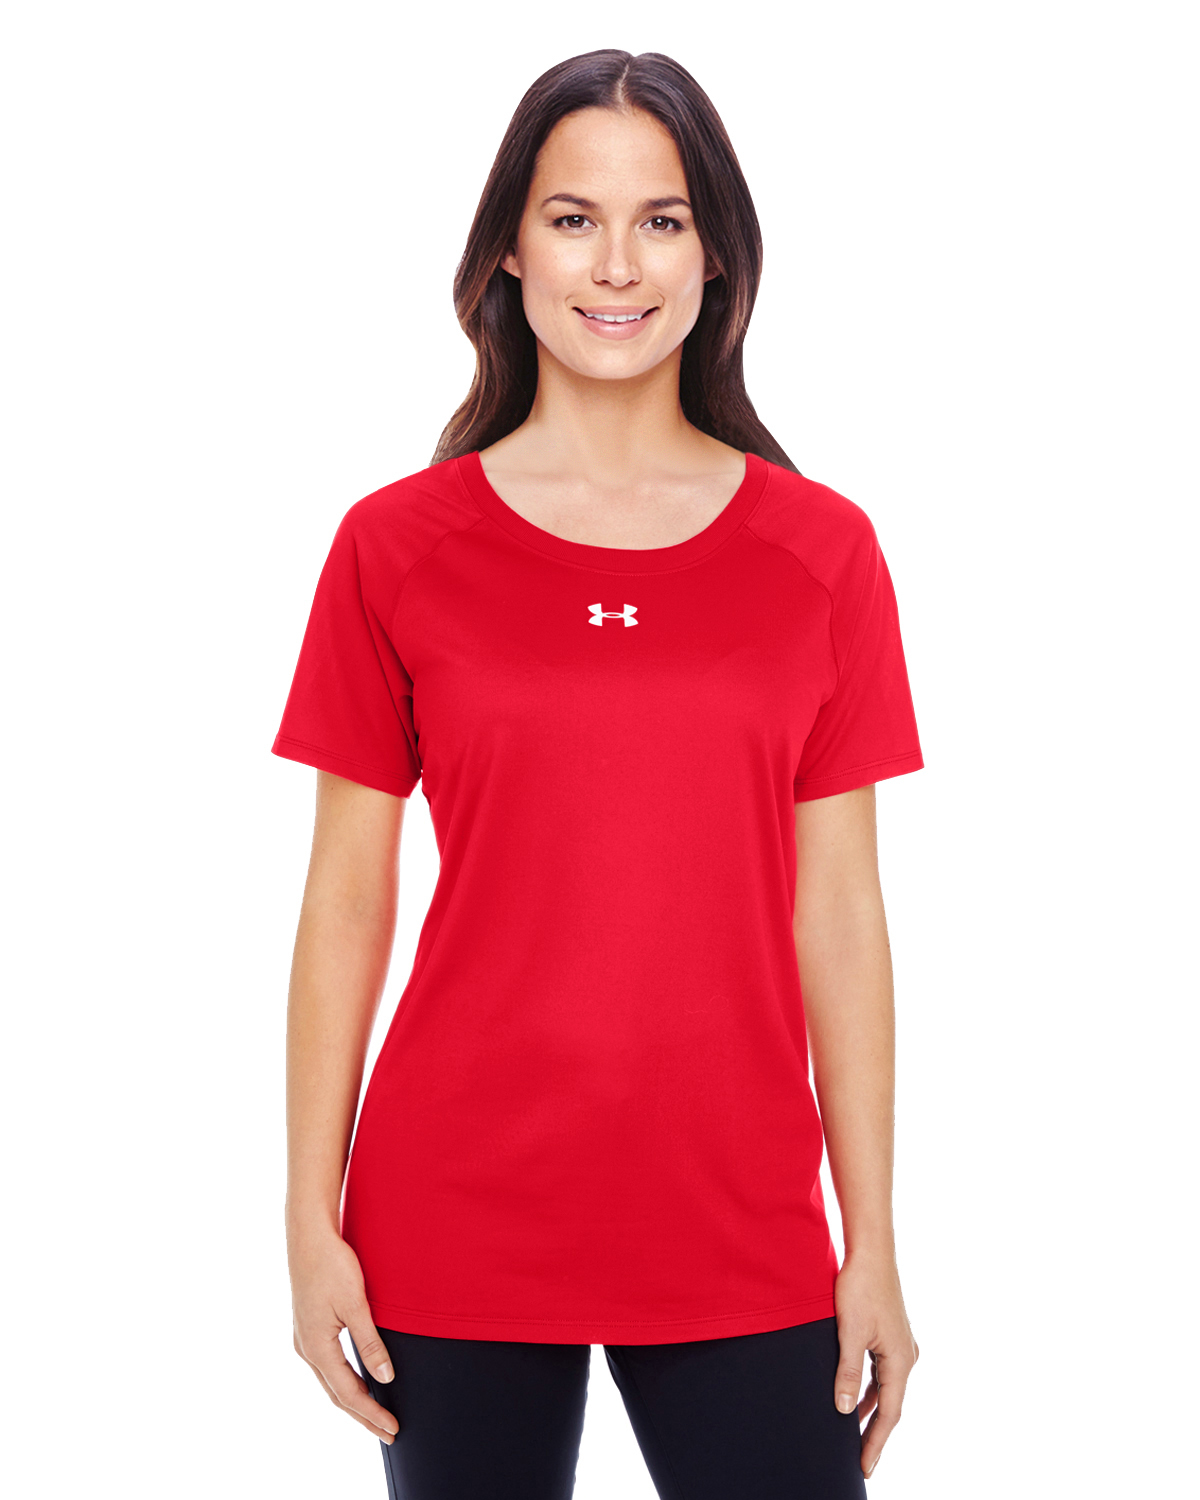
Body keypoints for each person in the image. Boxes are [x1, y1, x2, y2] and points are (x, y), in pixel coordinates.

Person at [274, 48, 923, 1500]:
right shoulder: (395, 547)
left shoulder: (822, 554)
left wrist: (872, 1240)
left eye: (662, 221)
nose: (617, 265)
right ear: (510, 248)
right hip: (454, 1213)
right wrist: (309, 1222)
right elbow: (346, 904)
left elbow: (840, 912)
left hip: (741, 1216)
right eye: (573, 219)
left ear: (716, 254)